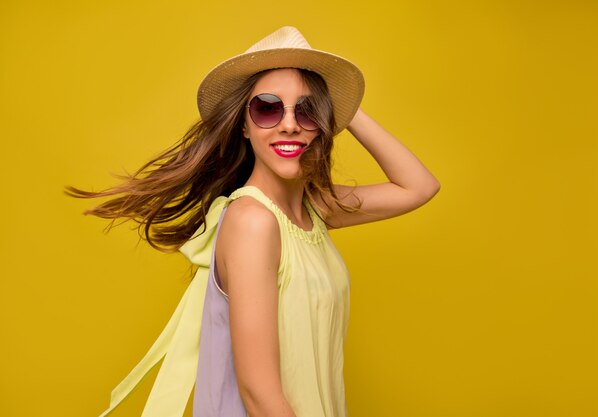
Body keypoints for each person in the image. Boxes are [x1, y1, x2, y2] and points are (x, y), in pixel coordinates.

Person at [69, 26, 439, 417]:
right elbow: (260, 397)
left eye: (308, 110)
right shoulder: (252, 222)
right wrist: (323, 100)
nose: (290, 124)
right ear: (244, 125)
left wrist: (341, 103)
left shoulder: (313, 209)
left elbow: (418, 187)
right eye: (267, 107)